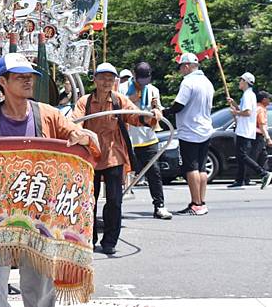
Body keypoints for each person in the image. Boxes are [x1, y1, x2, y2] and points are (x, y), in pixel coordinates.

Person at [0, 52, 100, 307]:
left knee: (40, 278)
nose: (28, 82)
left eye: (30, 77)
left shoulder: (47, 114)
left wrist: (81, 136)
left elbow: (80, 135)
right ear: (3, 82)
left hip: (38, 210)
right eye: (20, 77)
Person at [71, 62, 162, 255]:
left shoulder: (119, 100)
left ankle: (110, 241)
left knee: (114, 200)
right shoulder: (85, 102)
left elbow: (136, 118)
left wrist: (152, 116)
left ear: (115, 82)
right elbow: (74, 123)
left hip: (113, 154)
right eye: (102, 78)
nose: (106, 82)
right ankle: (89, 238)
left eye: (110, 78)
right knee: (88, 200)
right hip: (90, 156)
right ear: (94, 80)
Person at [119, 62, 172, 220]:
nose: (143, 84)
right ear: (134, 75)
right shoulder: (122, 89)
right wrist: (130, 99)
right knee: (120, 175)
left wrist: (157, 110)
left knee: (154, 172)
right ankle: (115, 208)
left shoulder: (153, 90)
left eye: (146, 80)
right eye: (140, 80)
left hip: (148, 138)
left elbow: (159, 112)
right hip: (127, 138)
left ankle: (159, 206)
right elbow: (116, 110)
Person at [165, 53, 214, 216]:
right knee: (201, 168)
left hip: (189, 130)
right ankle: (202, 202)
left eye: (180, 67)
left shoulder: (188, 82)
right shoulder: (207, 82)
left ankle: (195, 203)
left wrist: (164, 112)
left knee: (191, 167)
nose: (180, 70)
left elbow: (179, 106)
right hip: (205, 129)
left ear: (186, 66)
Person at [227, 73, 272, 189]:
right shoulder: (248, 95)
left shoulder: (248, 95)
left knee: (241, 155)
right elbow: (244, 110)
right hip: (244, 129)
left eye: (240, 80)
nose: (239, 82)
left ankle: (263, 173)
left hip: (245, 130)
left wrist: (235, 113)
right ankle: (240, 180)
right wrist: (234, 104)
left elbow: (247, 113)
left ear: (245, 82)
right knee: (240, 155)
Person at [251, 91, 272, 189]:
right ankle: (246, 177)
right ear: (264, 100)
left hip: (256, 135)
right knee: (253, 157)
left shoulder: (257, 108)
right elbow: (262, 125)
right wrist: (268, 138)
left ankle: (268, 175)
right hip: (258, 135)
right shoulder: (260, 109)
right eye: (269, 98)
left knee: (263, 156)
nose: (270, 100)